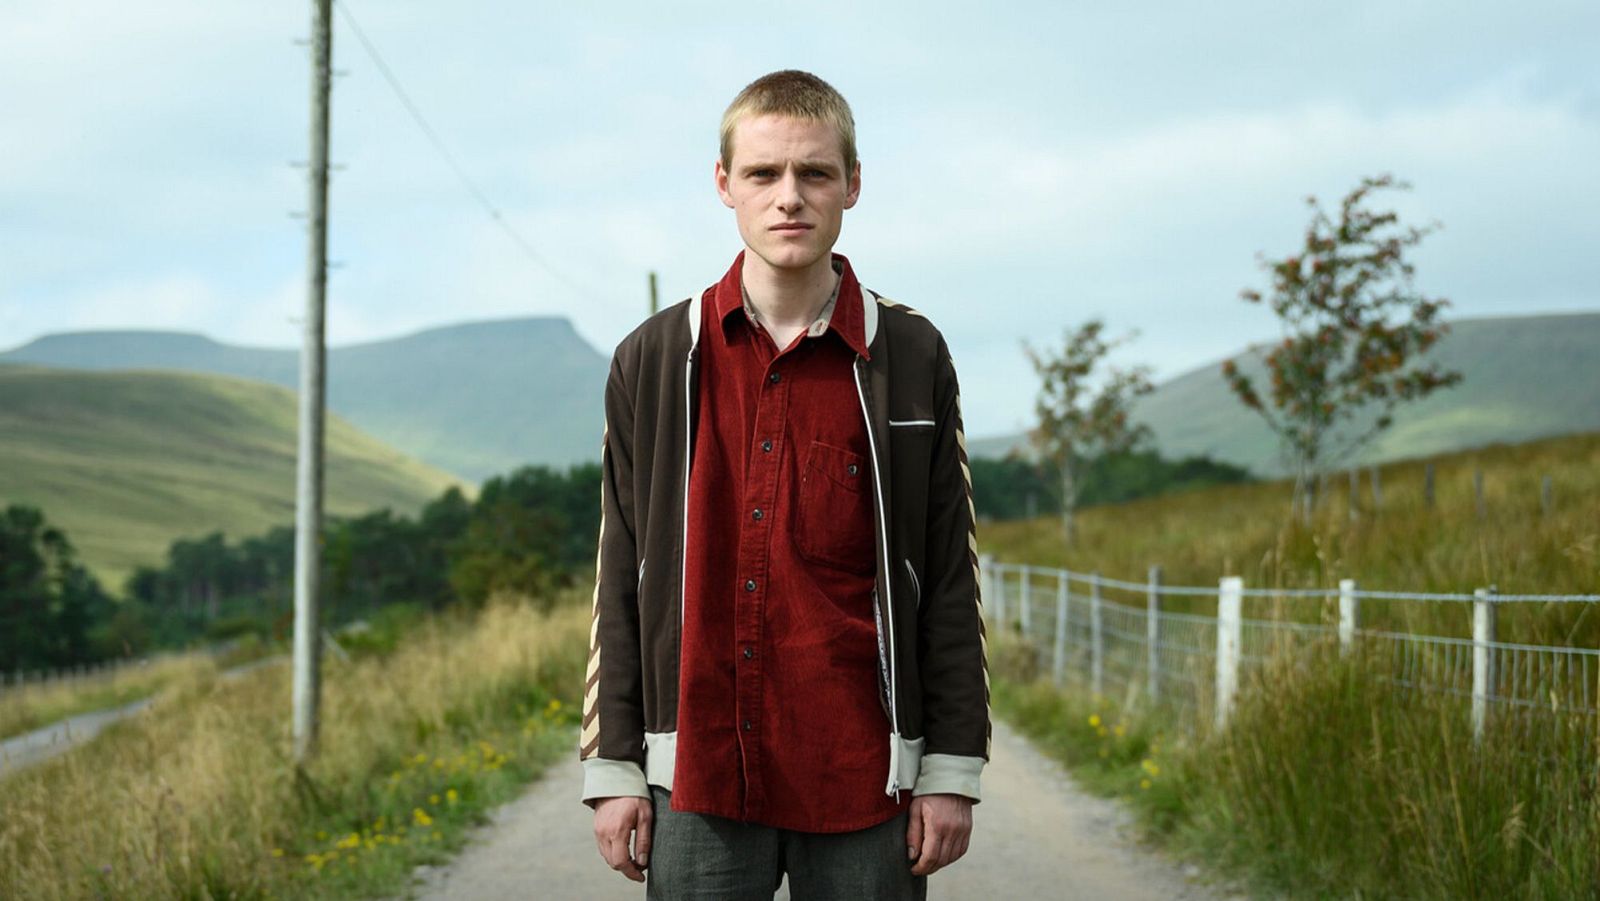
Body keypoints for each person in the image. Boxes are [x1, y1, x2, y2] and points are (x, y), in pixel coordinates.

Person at [581, 69, 990, 900]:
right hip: (697, 774)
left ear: (853, 184)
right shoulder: (654, 357)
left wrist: (951, 766)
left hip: (864, 776)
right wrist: (615, 764)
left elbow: (948, 572)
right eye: (764, 173)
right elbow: (622, 572)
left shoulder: (912, 353)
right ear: (724, 183)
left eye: (815, 173)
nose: (789, 197)